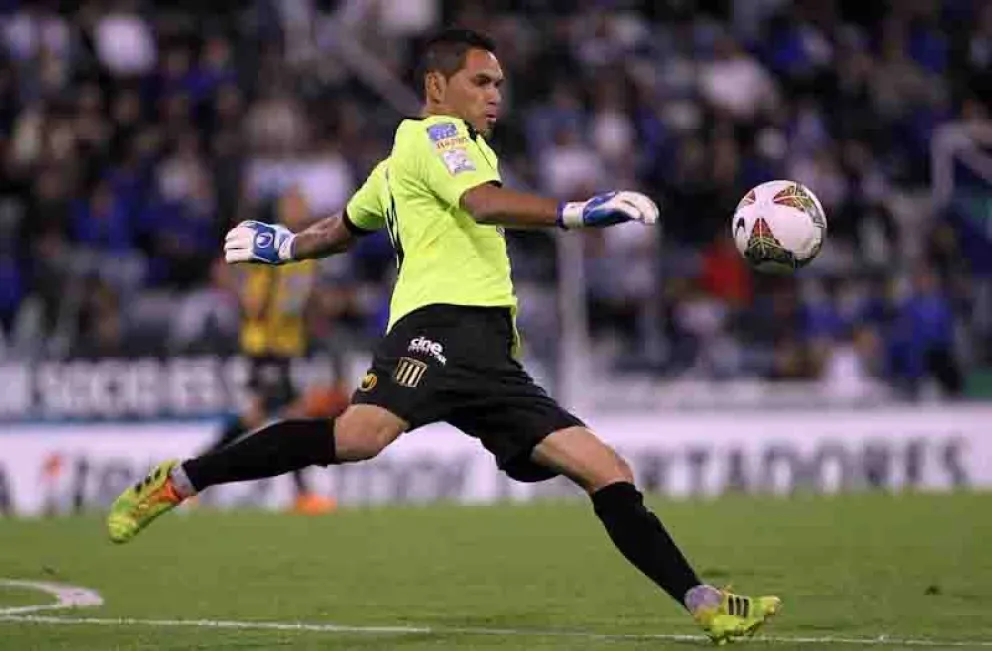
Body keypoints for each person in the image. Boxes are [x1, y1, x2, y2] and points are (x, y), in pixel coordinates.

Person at [107, 28, 780, 644]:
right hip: (436, 328)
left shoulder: (410, 161)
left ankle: (704, 602)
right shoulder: (435, 140)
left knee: (608, 470)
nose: (495, 97)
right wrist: (580, 211)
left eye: (499, 87)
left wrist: (289, 246)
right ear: (438, 86)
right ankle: (183, 479)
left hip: (491, 356)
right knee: (358, 436)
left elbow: (346, 223)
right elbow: (484, 204)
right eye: (481, 83)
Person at [205, 186, 338, 515]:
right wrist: (249, 301)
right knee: (290, 416)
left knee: (259, 415)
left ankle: (196, 469)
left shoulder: (309, 250)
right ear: (282, 209)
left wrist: (317, 320)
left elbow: (307, 299)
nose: (300, 207)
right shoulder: (272, 244)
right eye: (294, 203)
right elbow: (227, 273)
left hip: (286, 348)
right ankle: (302, 494)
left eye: (302, 202)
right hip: (263, 347)